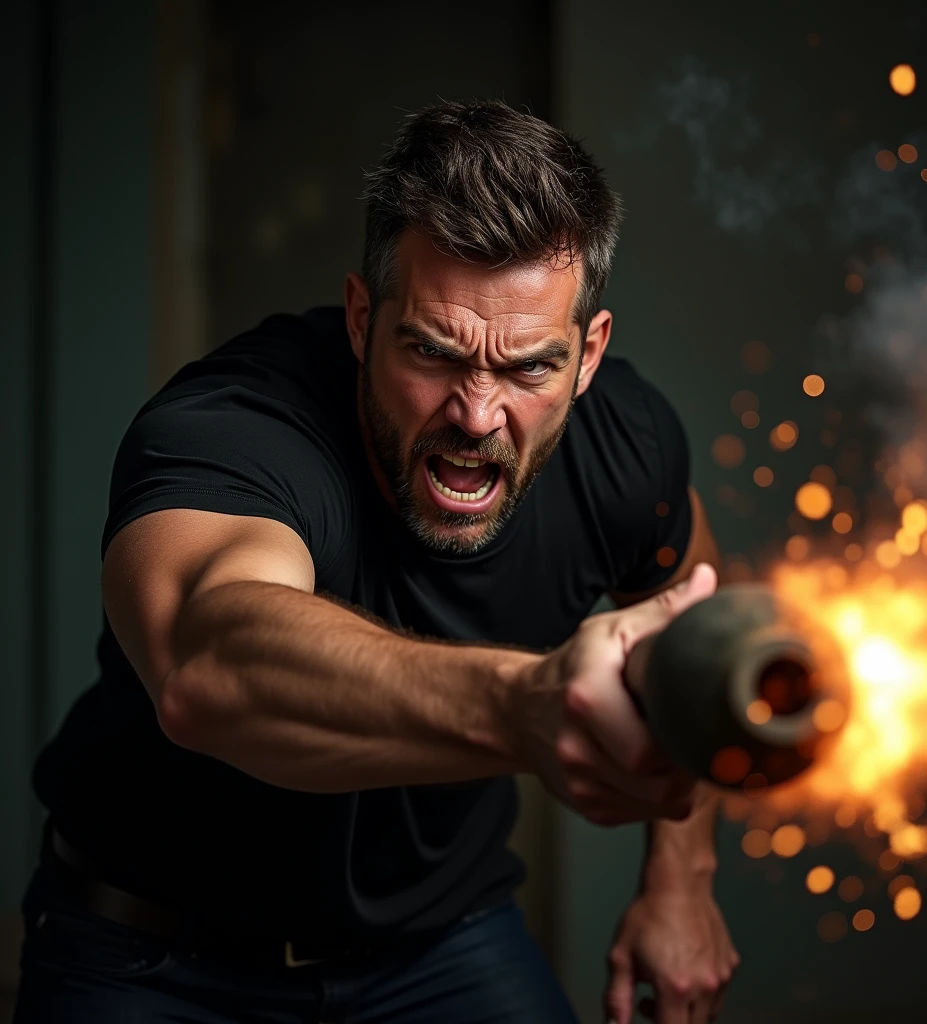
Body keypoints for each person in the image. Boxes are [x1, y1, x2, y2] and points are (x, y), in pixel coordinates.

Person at [14, 99, 738, 1024]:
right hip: (151, 953)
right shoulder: (234, 429)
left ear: (588, 354)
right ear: (363, 318)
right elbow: (211, 668)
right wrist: (525, 704)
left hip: (439, 946)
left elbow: (700, 608)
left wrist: (683, 882)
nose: (477, 416)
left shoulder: (624, 447)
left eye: (528, 369)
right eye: (434, 353)